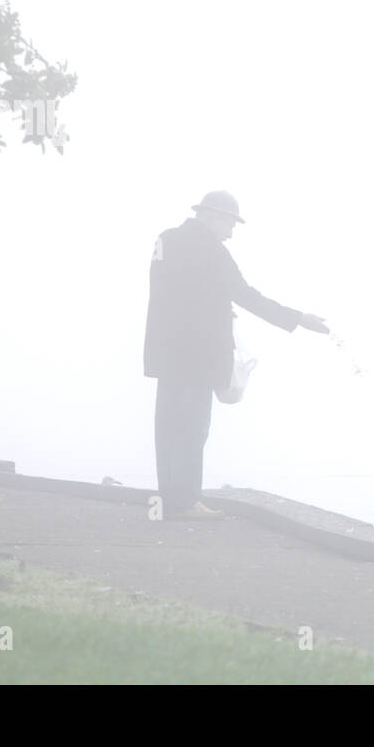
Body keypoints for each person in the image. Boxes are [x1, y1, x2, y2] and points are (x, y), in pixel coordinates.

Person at [144, 190, 330, 519]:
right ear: (212, 217)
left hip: (166, 352)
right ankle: (187, 503)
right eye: (230, 224)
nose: (231, 233)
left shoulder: (166, 240)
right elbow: (245, 295)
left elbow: (166, 290)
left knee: (168, 428)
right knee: (192, 429)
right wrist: (297, 318)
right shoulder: (212, 250)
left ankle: (168, 500)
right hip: (198, 355)